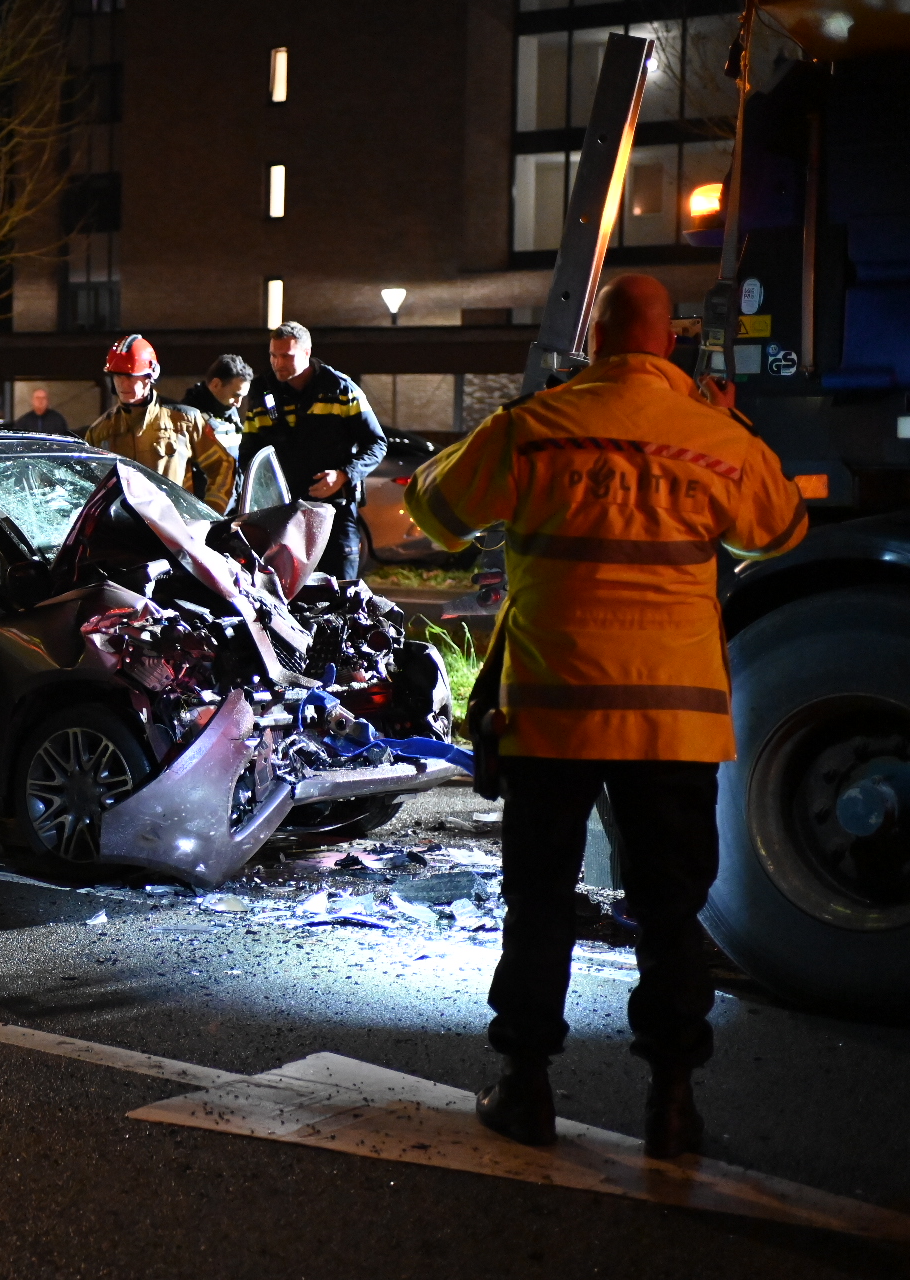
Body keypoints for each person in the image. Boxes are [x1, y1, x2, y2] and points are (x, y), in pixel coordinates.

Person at [404, 275, 808, 1160]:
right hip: (673, 723)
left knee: (539, 901)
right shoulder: (714, 439)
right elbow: (778, 530)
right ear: (671, 343)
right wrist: (730, 422)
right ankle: (673, 1103)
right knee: (671, 911)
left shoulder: (535, 428)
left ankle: (526, 1088)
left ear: (592, 335)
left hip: (554, 716)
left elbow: (434, 507)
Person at [240, 322, 386, 577]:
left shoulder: (340, 389)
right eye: (273, 355)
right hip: (282, 514)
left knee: (340, 589)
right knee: (279, 593)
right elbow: (250, 455)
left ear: (307, 353)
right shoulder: (263, 393)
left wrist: (344, 475)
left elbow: (376, 443)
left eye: (287, 356)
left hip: (333, 513)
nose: (278, 363)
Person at [84, 334, 235, 512]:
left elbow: (223, 465)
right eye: (118, 376)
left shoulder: (184, 420)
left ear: (149, 376)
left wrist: (211, 514)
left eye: (131, 377)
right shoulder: (100, 432)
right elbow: (86, 486)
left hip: (175, 524)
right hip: (121, 526)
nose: (123, 384)